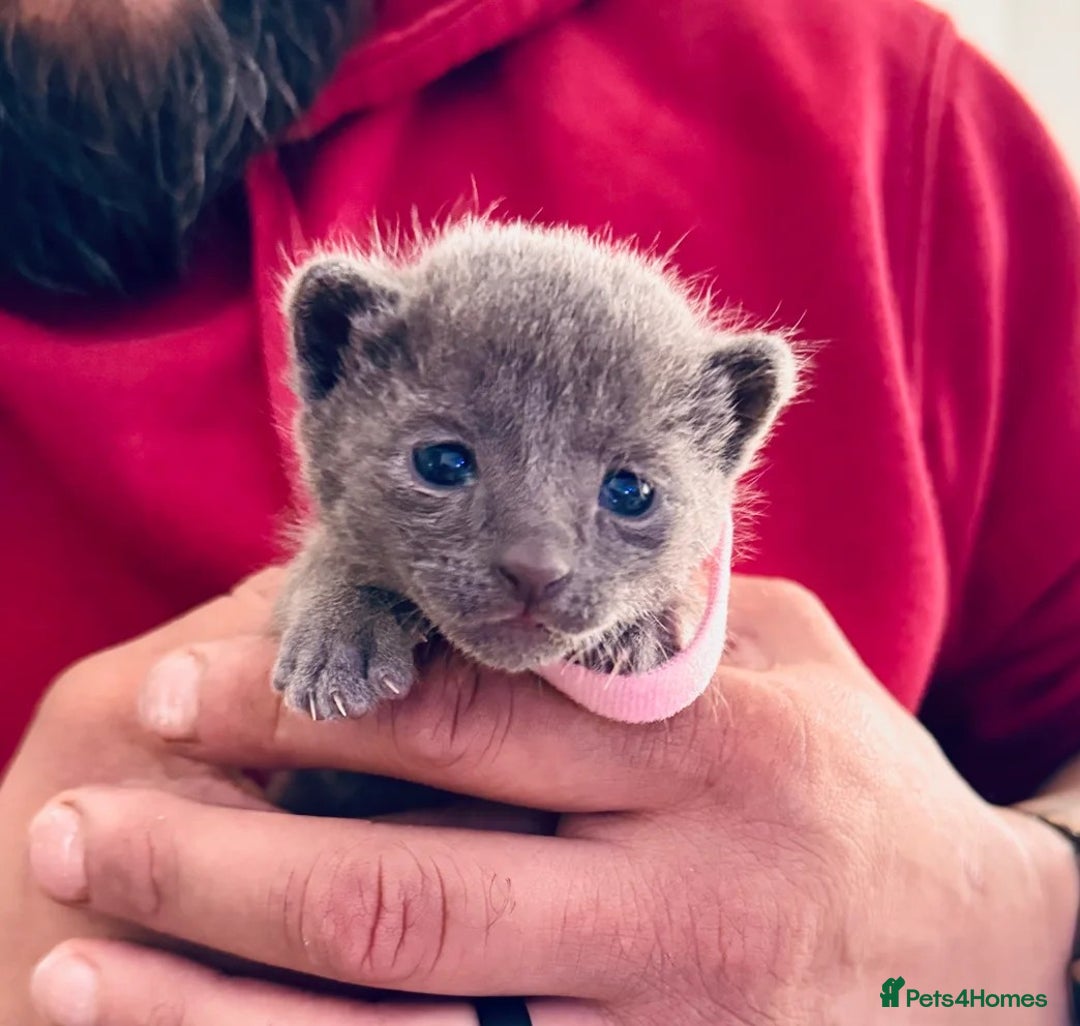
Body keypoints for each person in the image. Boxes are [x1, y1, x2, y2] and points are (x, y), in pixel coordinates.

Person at [1, 0, 1079, 1022]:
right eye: (445, 463)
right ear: (331, 363)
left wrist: (1028, 935)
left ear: (732, 437)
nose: (540, 557)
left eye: (629, 495)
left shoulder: (885, 106)